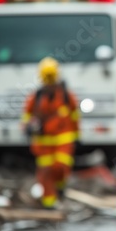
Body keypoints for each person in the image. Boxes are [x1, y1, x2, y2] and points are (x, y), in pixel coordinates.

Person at [21, 57, 79, 209]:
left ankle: (59, 189)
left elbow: (74, 115)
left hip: (63, 140)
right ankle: (49, 204)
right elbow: (27, 116)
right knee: (45, 173)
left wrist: (77, 135)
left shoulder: (66, 96)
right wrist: (28, 127)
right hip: (43, 142)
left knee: (60, 167)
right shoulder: (36, 97)